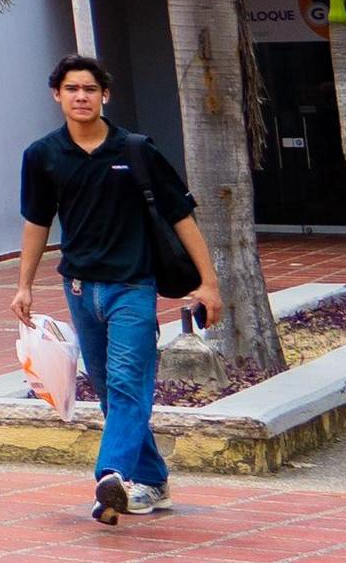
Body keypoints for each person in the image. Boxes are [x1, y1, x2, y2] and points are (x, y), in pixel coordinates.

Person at [14, 53, 223, 524]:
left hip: (133, 287)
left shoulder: (135, 150)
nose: (81, 97)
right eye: (72, 89)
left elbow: (181, 215)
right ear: (57, 95)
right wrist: (23, 285)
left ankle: (111, 475)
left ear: (105, 95)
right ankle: (154, 481)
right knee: (111, 392)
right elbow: (36, 223)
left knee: (128, 384)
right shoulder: (43, 155)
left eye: (90, 89)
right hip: (80, 289)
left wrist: (208, 282)